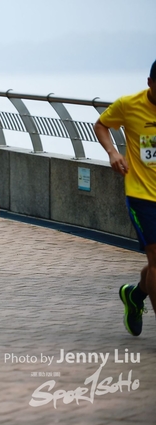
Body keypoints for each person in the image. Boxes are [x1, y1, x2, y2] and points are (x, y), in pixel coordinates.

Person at [93, 59, 156, 337]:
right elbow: (101, 125)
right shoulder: (129, 105)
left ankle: (135, 294)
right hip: (142, 195)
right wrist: (113, 152)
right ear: (150, 83)